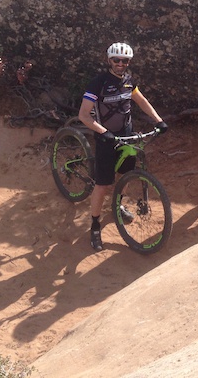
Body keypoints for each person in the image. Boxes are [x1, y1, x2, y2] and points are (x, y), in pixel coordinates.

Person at [78, 42, 168, 252]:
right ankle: (95, 225)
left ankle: (117, 205)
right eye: (116, 60)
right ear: (109, 60)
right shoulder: (98, 83)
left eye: (125, 60)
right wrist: (104, 133)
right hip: (105, 138)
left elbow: (141, 100)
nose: (120, 64)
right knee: (102, 184)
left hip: (126, 137)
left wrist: (158, 120)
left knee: (125, 174)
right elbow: (84, 115)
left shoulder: (128, 81)